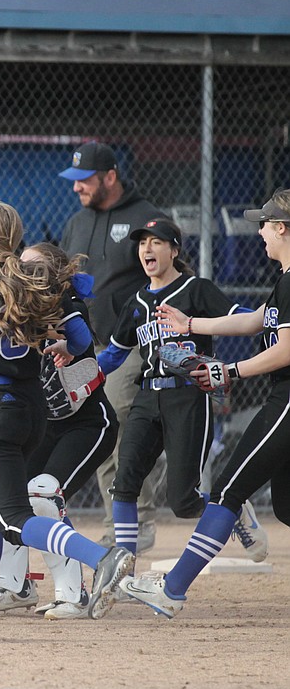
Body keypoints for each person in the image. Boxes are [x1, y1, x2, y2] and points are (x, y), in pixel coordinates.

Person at [0, 201, 134, 639]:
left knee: (14, 520)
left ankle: (101, 557)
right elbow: (78, 338)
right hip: (34, 410)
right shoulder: (34, 281)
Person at [121, 191, 290, 616]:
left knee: (228, 491)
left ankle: (172, 590)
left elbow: (287, 349)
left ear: (283, 228)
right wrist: (190, 323)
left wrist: (229, 371)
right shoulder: (285, 280)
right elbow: (255, 320)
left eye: (265, 224)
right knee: (286, 505)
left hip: (286, 399)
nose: (261, 232)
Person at [96, 219, 267, 562]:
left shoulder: (195, 290)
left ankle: (233, 511)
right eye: (142, 242)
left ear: (174, 250)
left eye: (157, 242)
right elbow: (114, 354)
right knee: (124, 484)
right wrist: (81, 374)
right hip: (146, 397)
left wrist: (275, 314)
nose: (147, 248)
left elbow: (244, 319)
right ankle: (121, 572)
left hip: (188, 396)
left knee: (183, 501)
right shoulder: (136, 303)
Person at [0, 242, 118, 619]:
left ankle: (73, 594)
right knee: (13, 497)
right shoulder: (17, 309)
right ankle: (15, 585)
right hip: (46, 425)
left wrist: (66, 345)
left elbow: (80, 341)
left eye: (35, 266)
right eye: (22, 265)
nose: (26, 271)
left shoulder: (68, 304)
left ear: (55, 274)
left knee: (43, 493)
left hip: (89, 425)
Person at [58, 142, 166, 551]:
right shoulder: (76, 224)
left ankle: (134, 522)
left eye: (85, 180)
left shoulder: (146, 219)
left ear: (110, 177)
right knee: (101, 428)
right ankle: (121, 525)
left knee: (120, 420)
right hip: (87, 344)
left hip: (132, 342)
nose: (77, 188)